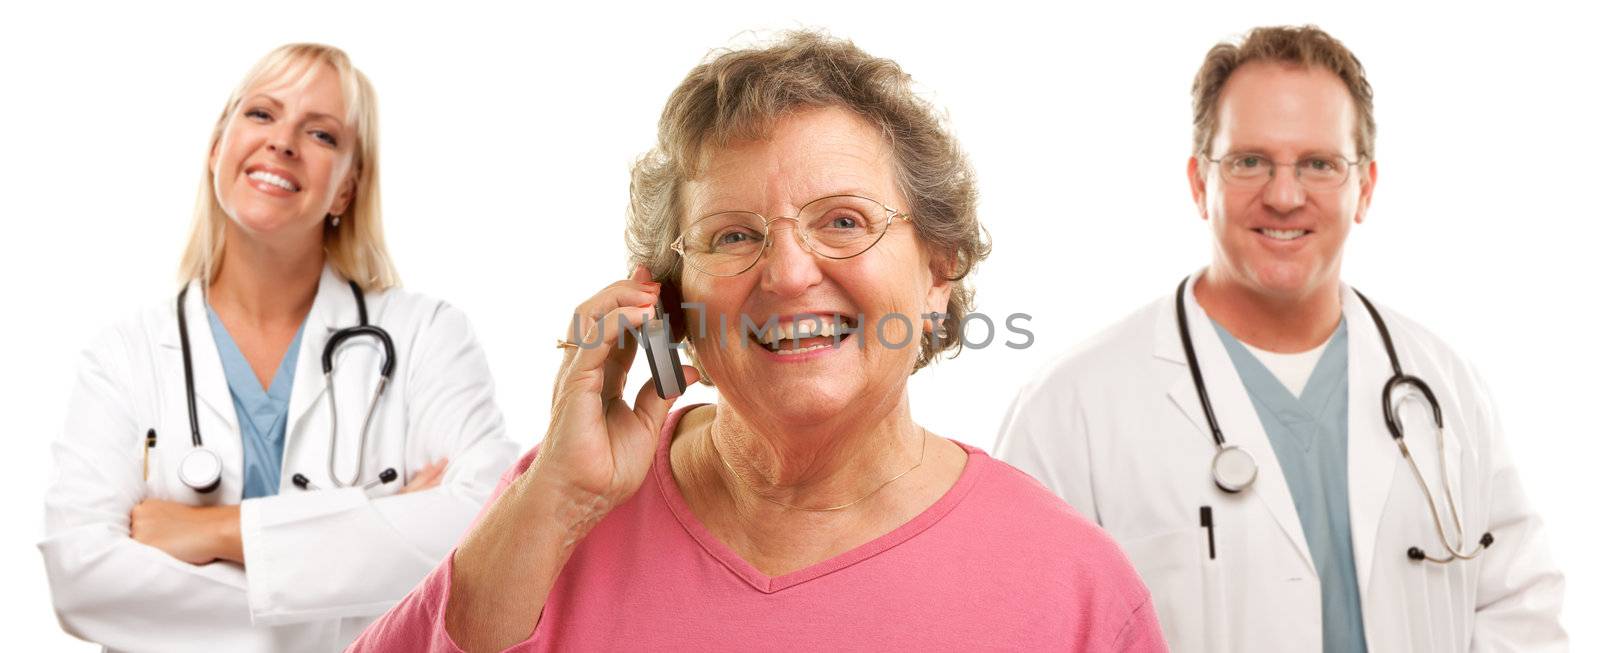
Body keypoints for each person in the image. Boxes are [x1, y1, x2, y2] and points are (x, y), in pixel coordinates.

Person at [351, 31, 1165, 652]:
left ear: (937, 273)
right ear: (670, 301)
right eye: (733, 235)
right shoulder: (556, 503)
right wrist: (556, 502)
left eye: (844, 221)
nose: (787, 271)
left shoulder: (1073, 586)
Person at [996, 25, 1565, 652]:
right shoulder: (1071, 408)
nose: (1285, 196)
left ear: (1365, 188)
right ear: (1198, 182)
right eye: (1249, 162)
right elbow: (1026, 628)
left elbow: (1520, 610)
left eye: (1319, 164)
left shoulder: (1445, 387)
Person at [38, 43, 519, 652]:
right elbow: (81, 579)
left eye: (321, 134)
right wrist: (367, 553)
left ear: (347, 189)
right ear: (218, 148)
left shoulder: (426, 336)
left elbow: (487, 525)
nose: (283, 142)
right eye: (262, 114)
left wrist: (214, 531)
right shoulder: (125, 355)